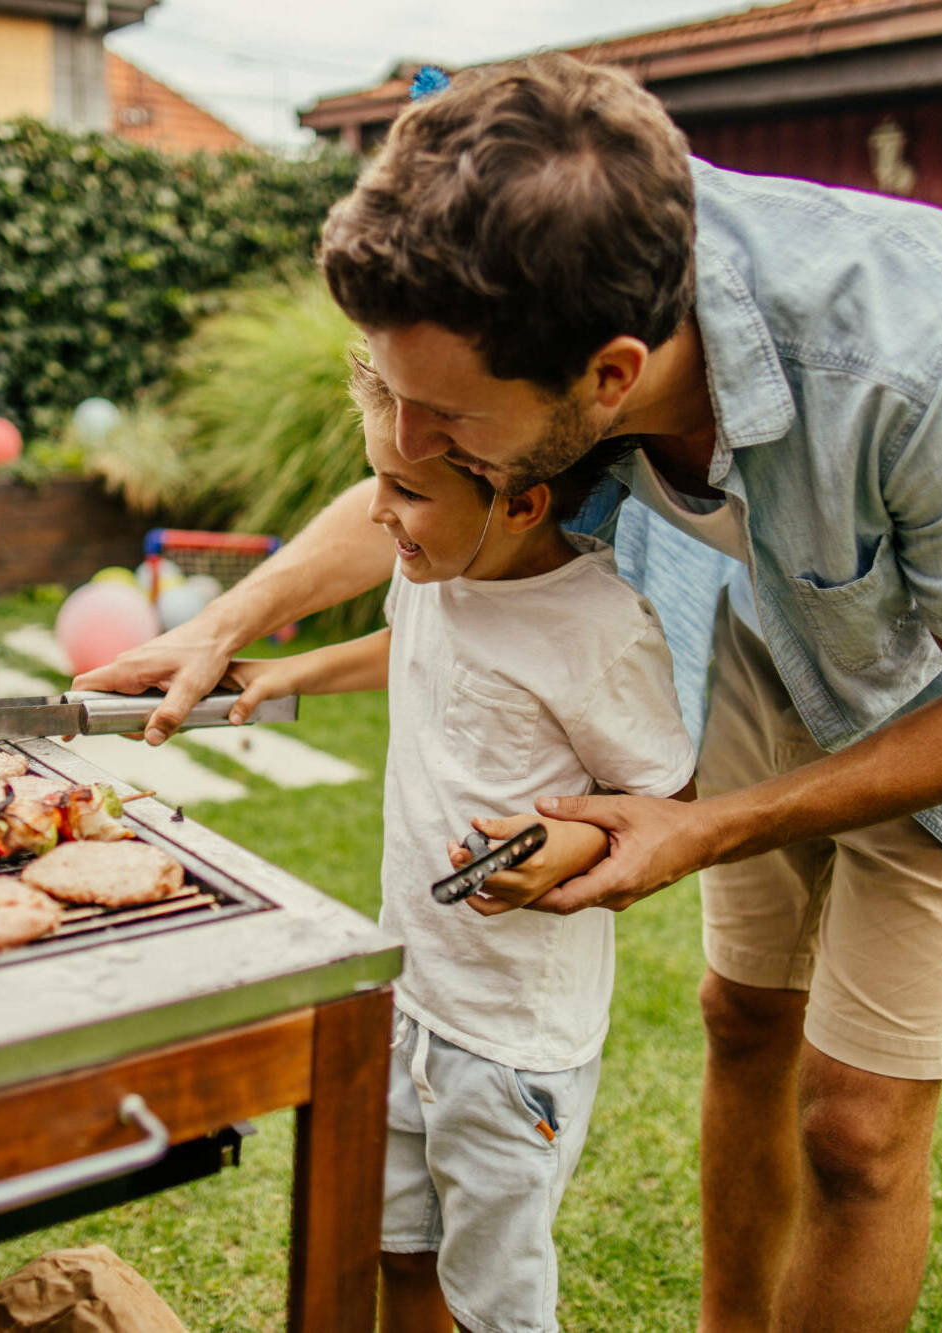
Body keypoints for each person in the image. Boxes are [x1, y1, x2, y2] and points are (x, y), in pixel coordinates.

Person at [75, 54, 942, 1332]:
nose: (403, 447)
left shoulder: (916, 348)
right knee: (741, 1017)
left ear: (610, 379)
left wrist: (704, 822)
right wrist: (228, 620)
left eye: (442, 418)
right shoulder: (543, 294)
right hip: (757, 631)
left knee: (853, 1129)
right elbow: (420, 491)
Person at [223, 356, 694, 1333]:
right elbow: (412, 648)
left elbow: (665, 796)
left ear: (519, 502)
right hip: (409, 994)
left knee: (496, 1302)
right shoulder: (437, 571)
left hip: (510, 1040)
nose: (378, 513)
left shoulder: (598, 629)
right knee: (400, 1247)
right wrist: (286, 668)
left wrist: (565, 849)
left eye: (403, 490)